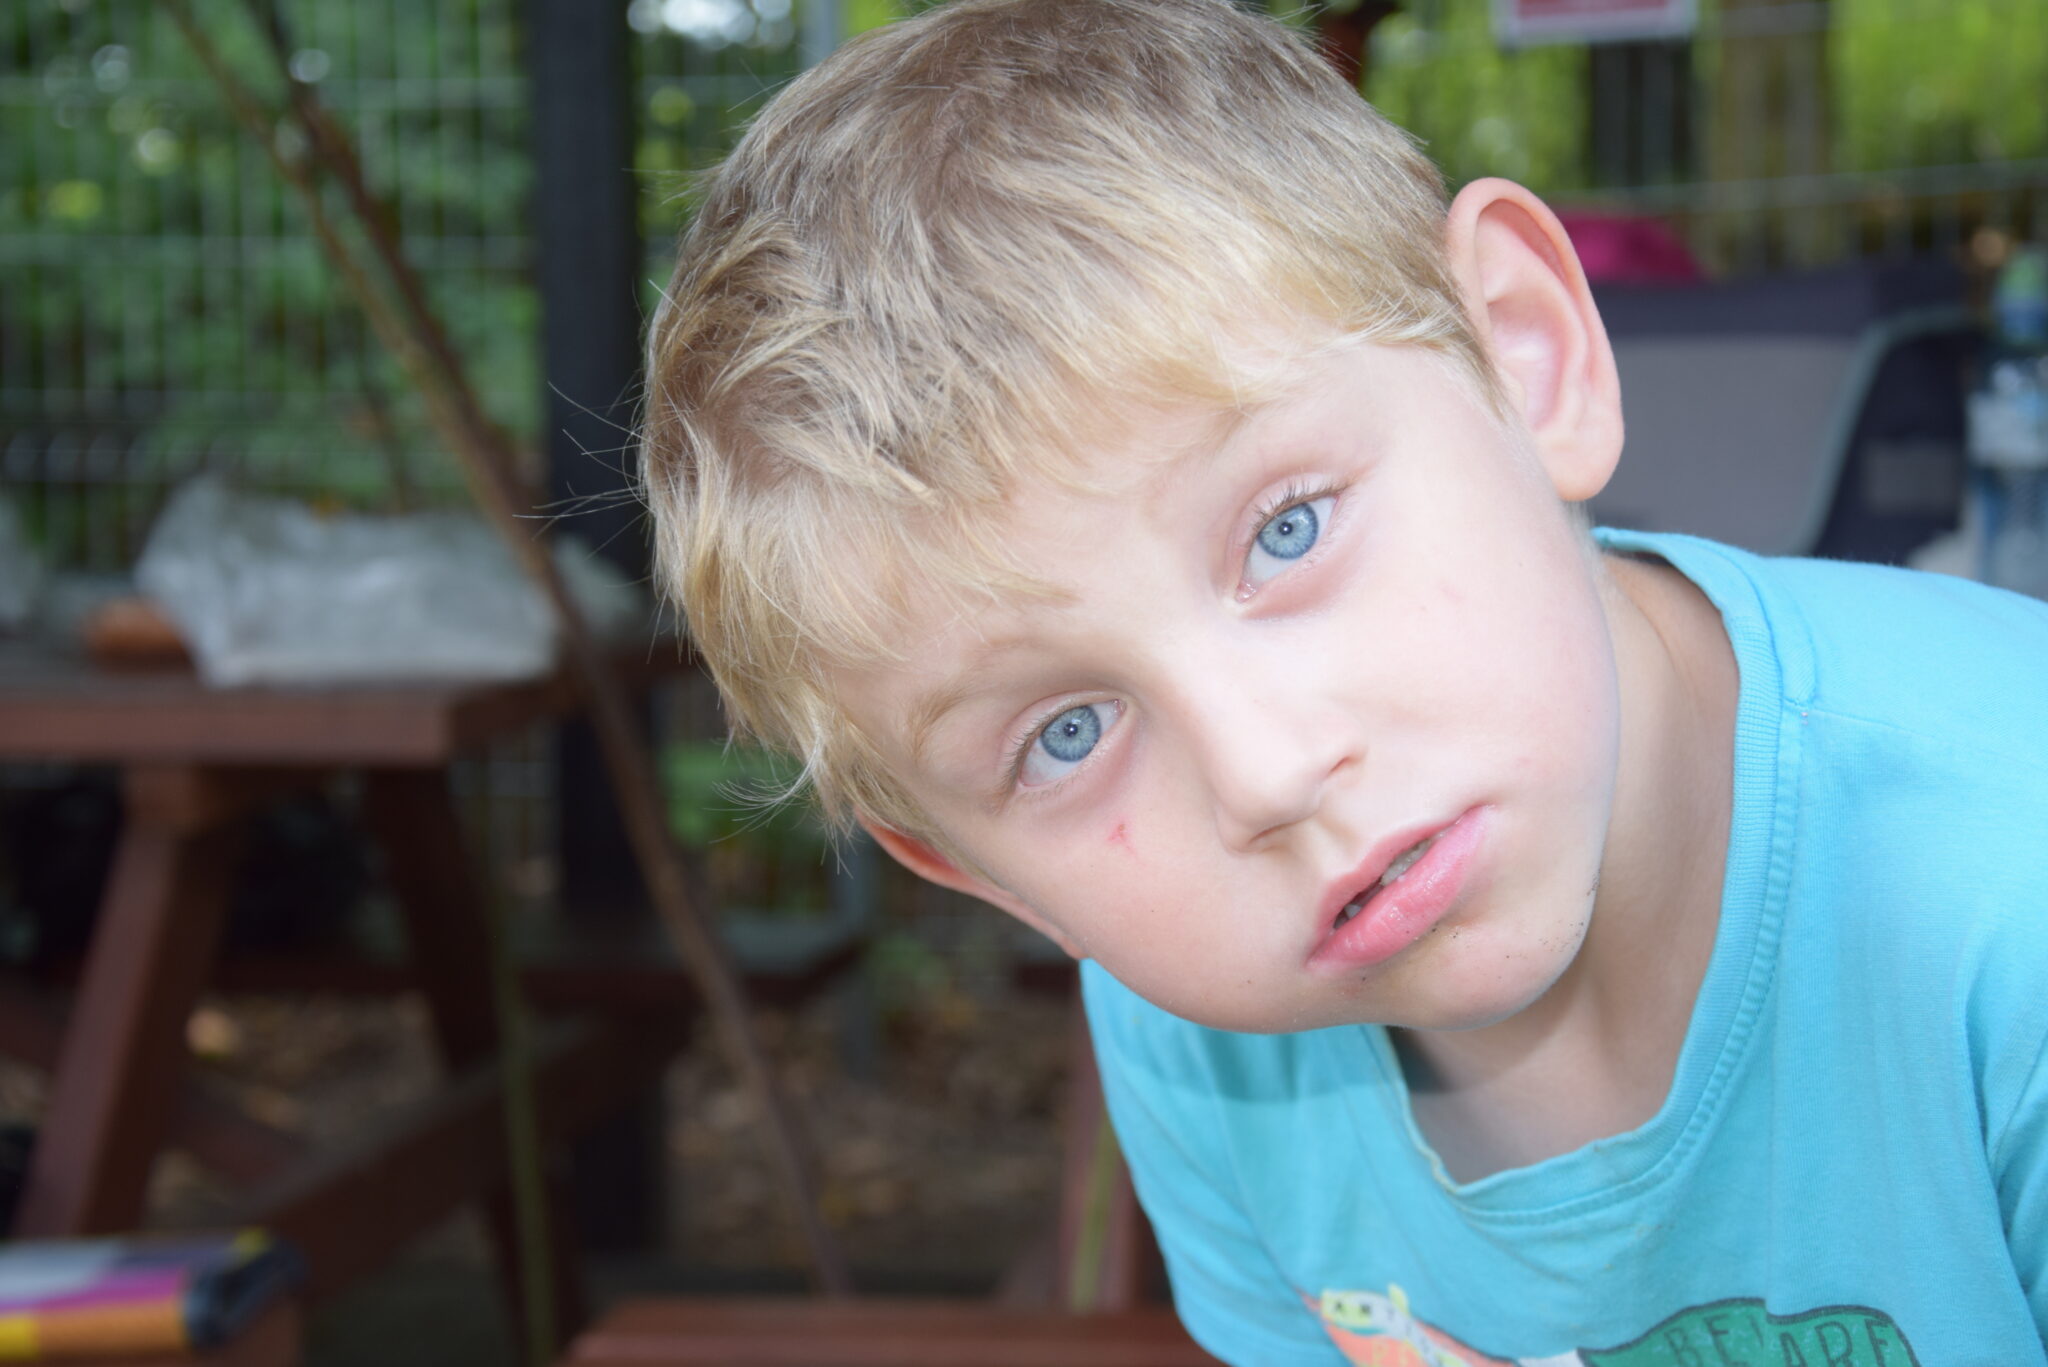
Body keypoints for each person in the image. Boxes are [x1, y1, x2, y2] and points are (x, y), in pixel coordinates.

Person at [637, 0, 2048, 1358]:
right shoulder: (1196, 1050)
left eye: (1287, 530)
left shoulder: (2006, 900)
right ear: (988, 878)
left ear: (1529, 358)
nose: (1265, 773)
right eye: (1067, 735)